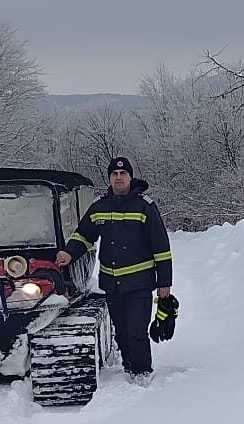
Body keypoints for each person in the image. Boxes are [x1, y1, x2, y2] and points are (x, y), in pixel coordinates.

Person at [56, 156, 173, 385]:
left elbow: (161, 247)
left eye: (123, 174)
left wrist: (164, 284)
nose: (118, 178)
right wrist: (70, 253)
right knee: (121, 331)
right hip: (112, 283)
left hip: (139, 283)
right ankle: (128, 365)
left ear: (130, 177)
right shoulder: (100, 206)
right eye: (114, 174)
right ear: (110, 178)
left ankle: (141, 373)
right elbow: (84, 235)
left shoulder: (145, 207)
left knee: (137, 331)